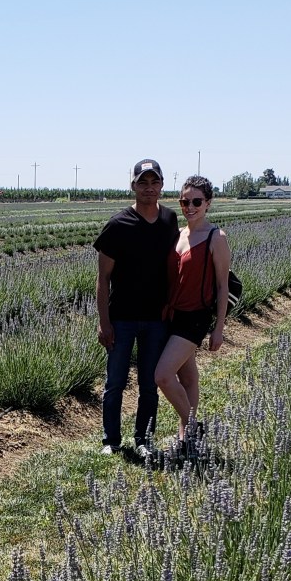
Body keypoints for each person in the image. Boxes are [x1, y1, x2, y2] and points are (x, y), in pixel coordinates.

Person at [93, 158, 179, 458]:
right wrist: (104, 322)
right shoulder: (118, 225)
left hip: (156, 319)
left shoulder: (169, 220)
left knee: (149, 383)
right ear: (133, 186)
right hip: (122, 318)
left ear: (162, 186)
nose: (149, 188)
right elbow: (102, 278)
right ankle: (111, 440)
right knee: (115, 382)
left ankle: (144, 439)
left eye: (154, 182)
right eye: (143, 182)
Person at [154, 175, 230, 451]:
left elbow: (222, 286)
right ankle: (186, 438)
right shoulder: (178, 234)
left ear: (208, 203)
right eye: (185, 202)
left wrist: (219, 329)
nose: (190, 207)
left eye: (197, 202)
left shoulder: (216, 238)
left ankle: (192, 426)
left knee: (163, 375)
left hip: (195, 317)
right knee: (188, 378)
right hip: (172, 315)